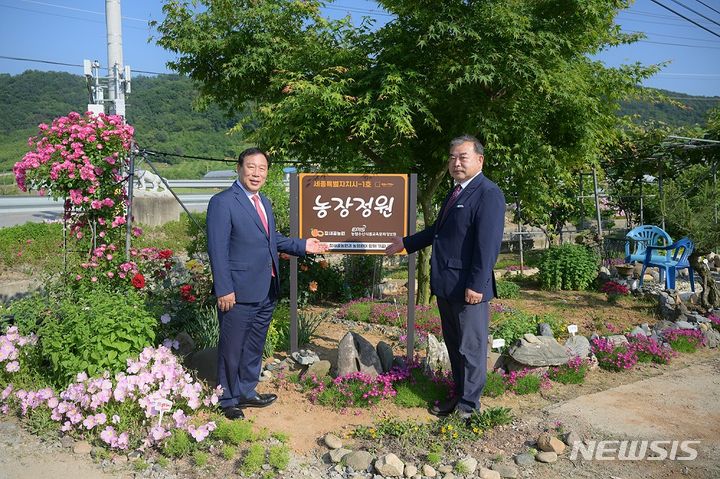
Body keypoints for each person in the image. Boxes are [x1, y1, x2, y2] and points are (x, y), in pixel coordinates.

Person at [385, 135, 505, 419]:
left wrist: (477, 284)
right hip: (448, 284)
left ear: (479, 160)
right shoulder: (455, 193)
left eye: (462, 157)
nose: (456, 163)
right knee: (454, 344)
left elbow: (487, 246)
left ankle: (469, 406)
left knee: (471, 347)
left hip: (469, 288)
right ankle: (459, 394)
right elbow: (437, 230)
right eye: (452, 157)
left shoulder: (488, 193)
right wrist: (405, 243)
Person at [207, 147, 327, 420]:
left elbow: (271, 238)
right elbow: (217, 249)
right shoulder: (223, 202)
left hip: (266, 287)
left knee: (253, 345)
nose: (256, 173)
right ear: (239, 168)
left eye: (262, 168)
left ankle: (247, 391)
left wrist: (303, 245)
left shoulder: (265, 202)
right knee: (232, 345)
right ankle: (226, 398)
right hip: (236, 290)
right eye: (251, 167)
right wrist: (224, 288)